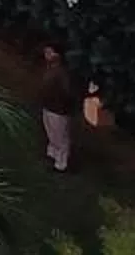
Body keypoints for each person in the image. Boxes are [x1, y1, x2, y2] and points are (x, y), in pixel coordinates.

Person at [39, 43, 77, 173]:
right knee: (51, 132)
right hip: (48, 106)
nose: (47, 55)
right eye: (46, 52)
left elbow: (68, 91)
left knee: (60, 136)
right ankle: (52, 155)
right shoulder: (49, 69)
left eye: (50, 52)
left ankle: (62, 164)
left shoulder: (62, 72)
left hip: (59, 109)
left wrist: (64, 103)